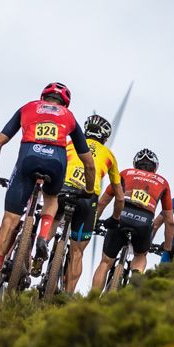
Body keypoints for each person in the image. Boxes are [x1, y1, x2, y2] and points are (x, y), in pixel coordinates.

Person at [0, 82, 95, 285]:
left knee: (9, 220)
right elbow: (89, 164)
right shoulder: (69, 117)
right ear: (65, 103)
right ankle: (43, 236)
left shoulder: (27, 108)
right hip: (56, 162)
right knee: (51, 198)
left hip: (27, 159)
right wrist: (88, 189)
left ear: (43, 97)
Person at [92, 148, 173, 290]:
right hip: (144, 221)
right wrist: (167, 247)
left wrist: (92, 222)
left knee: (105, 262)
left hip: (121, 216)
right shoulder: (163, 182)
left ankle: (91, 300)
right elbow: (170, 221)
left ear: (135, 164)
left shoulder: (125, 173)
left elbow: (102, 202)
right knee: (140, 256)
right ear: (155, 167)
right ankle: (135, 279)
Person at [61, 113, 122, 293]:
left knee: (49, 222)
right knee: (77, 252)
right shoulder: (109, 155)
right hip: (88, 198)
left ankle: (39, 246)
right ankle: (67, 296)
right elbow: (119, 196)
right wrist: (115, 218)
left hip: (63, 188)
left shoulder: (69, 144)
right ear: (105, 136)